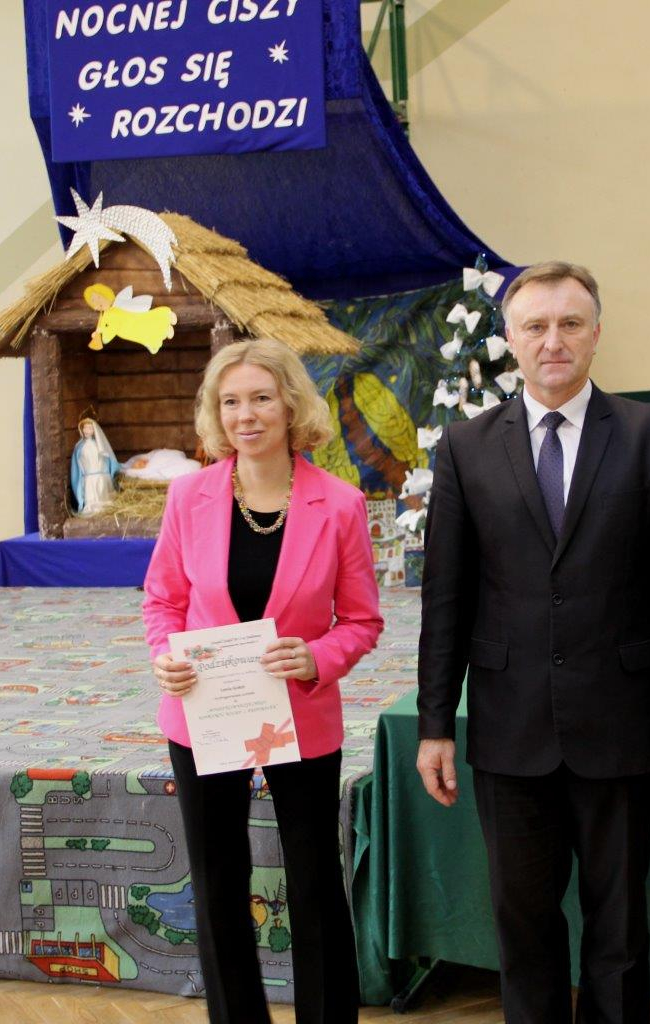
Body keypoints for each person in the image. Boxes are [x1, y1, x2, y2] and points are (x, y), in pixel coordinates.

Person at [417, 262, 650, 1024]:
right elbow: (446, 597)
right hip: (508, 725)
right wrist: (433, 724)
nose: (552, 340)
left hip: (621, 720)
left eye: (569, 324)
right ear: (509, 338)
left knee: (619, 927)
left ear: (595, 334)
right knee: (522, 926)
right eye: (535, 326)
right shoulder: (465, 447)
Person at [142, 338, 383, 1024]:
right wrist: (163, 655)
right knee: (218, 880)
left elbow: (361, 621)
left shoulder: (340, 504)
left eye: (260, 398)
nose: (245, 415)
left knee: (313, 881)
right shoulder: (188, 496)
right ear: (215, 414)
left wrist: (318, 658)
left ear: (290, 405)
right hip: (203, 714)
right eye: (230, 402)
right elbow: (162, 600)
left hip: (299, 713)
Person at [71, 417, 119, 514]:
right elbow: (76, 466)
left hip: (101, 478)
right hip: (88, 479)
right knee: (91, 501)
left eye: (89, 428)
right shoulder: (79, 447)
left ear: (94, 430)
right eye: (84, 428)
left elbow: (108, 460)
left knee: (103, 501)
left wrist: (112, 471)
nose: (86, 430)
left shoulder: (99, 445)